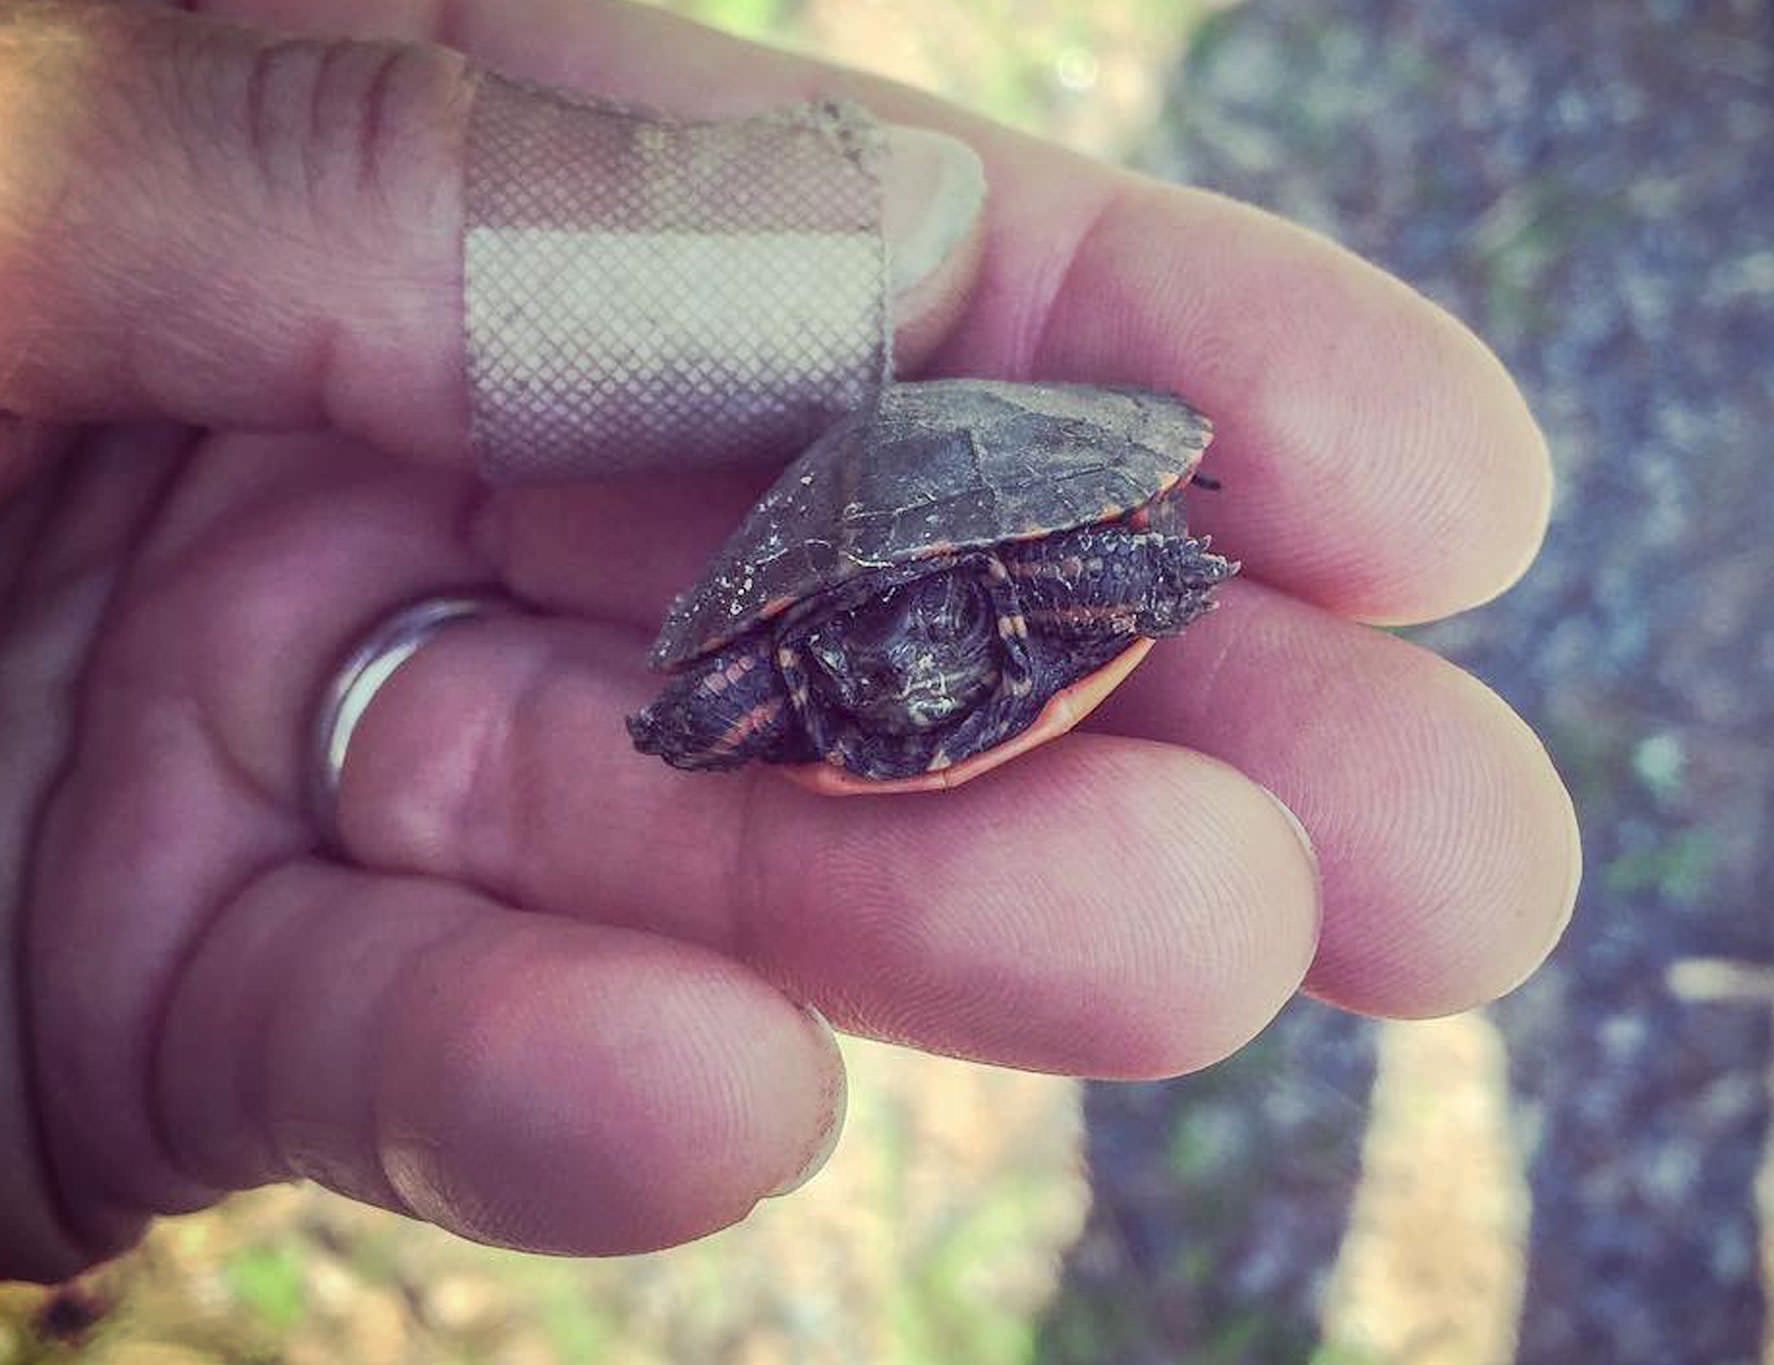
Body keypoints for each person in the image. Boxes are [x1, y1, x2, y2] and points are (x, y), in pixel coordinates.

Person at [0, 0, 1579, 1284]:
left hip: (994, 515)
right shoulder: (815, 667)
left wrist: (1143, 569)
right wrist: (700, 713)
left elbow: (1070, 567)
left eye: (895, 657)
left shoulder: (1016, 594)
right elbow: (736, 677)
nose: (891, 682)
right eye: (864, 665)